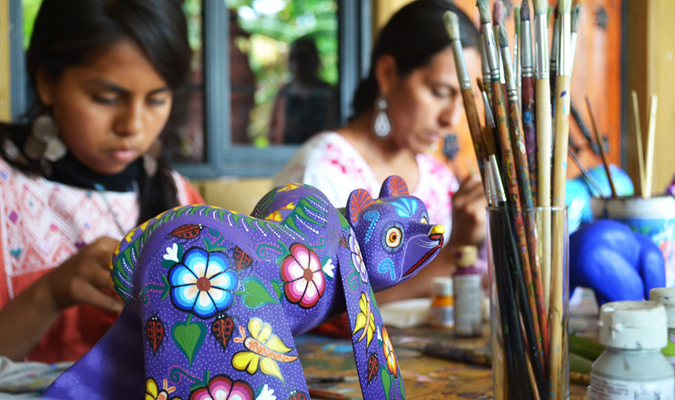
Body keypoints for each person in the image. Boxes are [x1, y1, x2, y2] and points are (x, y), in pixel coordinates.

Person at [0, 0, 205, 363]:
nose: (133, 126)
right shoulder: (8, 189)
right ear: (47, 82)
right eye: (107, 98)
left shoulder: (177, 195)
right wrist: (48, 295)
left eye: (156, 100)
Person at [274, 0, 486, 303]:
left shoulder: (439, 176)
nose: (451, 119)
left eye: (464, 100)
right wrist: (454, 251)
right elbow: (320, 308)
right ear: (387, 73)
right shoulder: (320, 174)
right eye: (440, 92)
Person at [268, 36, 338, 145]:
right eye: (293, 58)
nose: (298, 64)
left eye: (303, 58)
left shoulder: (327, 91)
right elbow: (273, 130)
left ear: (314, 60)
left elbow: (333, 128)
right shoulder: (285, 91)